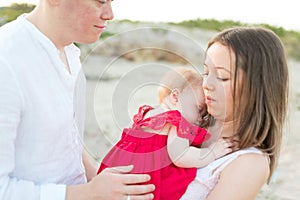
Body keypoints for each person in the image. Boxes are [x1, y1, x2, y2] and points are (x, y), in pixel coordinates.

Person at [0, 0, 155, 199]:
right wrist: (88, 193)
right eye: (100, 1)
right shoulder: (7, 59)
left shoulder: (70, 54)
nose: (110, 14)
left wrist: (98, 182)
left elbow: (68, 140)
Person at [180, 26, 289, 199]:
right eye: (206, 72)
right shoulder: (188, 122)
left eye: (222, 77)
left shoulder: (249, 163)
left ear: (257, 86)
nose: (206, 84)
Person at [97, 67, 235, 200]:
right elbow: (181, 156)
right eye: (198, 109)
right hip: (144, 178)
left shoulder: (147, 114)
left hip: (119, 169)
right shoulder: (176, 120)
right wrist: (212, 152)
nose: (199, 119)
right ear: (175, 97)